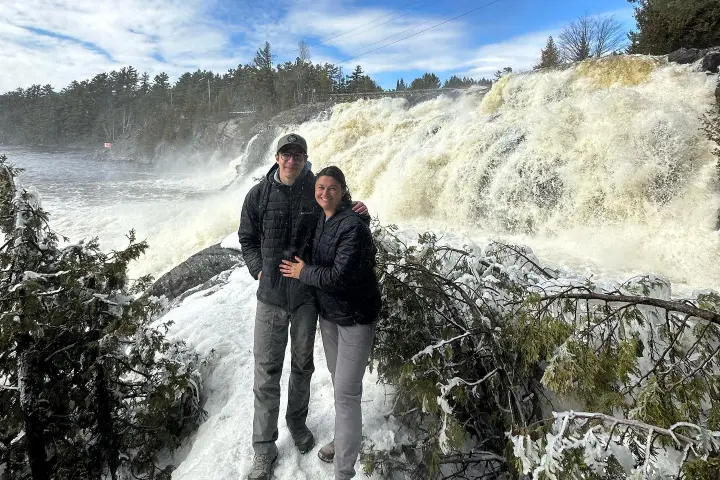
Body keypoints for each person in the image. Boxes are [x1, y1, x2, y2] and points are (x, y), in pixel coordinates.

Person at [238, 134, 367, 480]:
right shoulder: (258, 194)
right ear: (277, 157)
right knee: (266, 372)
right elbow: (246, 237)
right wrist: (257, 267)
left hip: (307, 298)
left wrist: (361, 211)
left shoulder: (316, 188)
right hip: (271, 297)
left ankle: (296, 421)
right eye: (286, 154)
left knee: (302, 366)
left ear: (305, 158)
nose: (292, 160)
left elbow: (342, 210)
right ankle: (264, 448)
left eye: (298, 155)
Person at [280, 166, 381, 480]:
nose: (324, 193)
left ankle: (344, 472)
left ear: (342, 190)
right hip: (331, 316)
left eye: (332, 188)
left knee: (347, 395)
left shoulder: (353, 226)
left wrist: (302, 273)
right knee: (341, 387)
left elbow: (339, 277)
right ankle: (343, 440)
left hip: (355, 318)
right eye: (320, 187)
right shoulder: (322, 219)